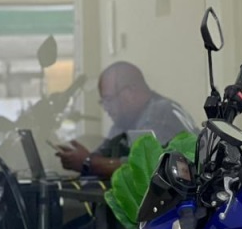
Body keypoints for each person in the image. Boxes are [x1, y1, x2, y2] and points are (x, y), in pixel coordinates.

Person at [56, 61, 197, 179]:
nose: (106, 108)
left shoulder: (160, 113)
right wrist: (80, 157)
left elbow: (146, 168)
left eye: (108, 100)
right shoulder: (126, 120)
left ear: (130, 92)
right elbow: (105, 153)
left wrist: (88, 162)